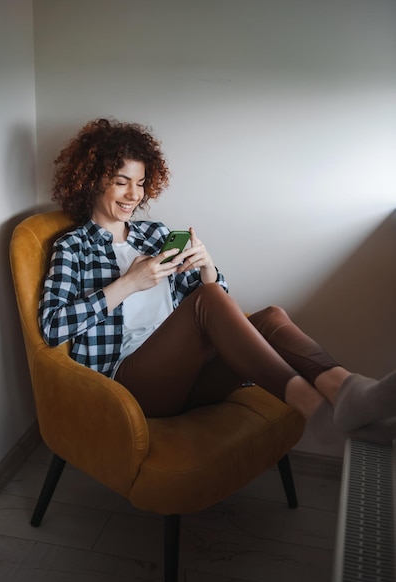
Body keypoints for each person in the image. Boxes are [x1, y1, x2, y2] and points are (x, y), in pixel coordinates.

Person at [39, 118, 396, 444]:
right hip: (134, 382)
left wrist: (207, 269)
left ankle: (346, 390)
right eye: (121, 182)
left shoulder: (154, 235)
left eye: (141, 183)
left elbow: (219, 315)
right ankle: (315, 410)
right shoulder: (73, 247)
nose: (134, 195)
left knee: (270, 316)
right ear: (92, 181)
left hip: (190, 375)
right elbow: (52, 328)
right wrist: (128, 284)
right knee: (206, 300)